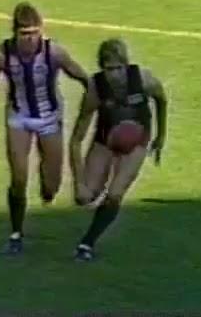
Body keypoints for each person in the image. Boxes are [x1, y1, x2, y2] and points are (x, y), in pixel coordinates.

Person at [0, 2, 88, 255]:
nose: (30, 39)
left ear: (41, 30)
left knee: (51, 187)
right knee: (18, 178)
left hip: (49, 117)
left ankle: (46, 181)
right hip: (19, 117)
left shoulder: (54, 52)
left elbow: (82, 76)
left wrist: (103, 100)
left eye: (34, 33)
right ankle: (16, 233)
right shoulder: (1, 56)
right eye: (24, 34)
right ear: (15, 33)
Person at [68, 38, 168, 262]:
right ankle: (94, 190)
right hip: (104, 142)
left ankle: (87, 243)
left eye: (118, 68)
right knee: (85, 198)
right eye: (108, 69)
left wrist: (161, 136)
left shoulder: (143, 80)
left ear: (126, 65)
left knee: (114, 195)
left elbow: (162, 100)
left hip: (136, 143)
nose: (114, 74)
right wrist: (78, 183)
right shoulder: (96, 89)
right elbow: (76, 139)